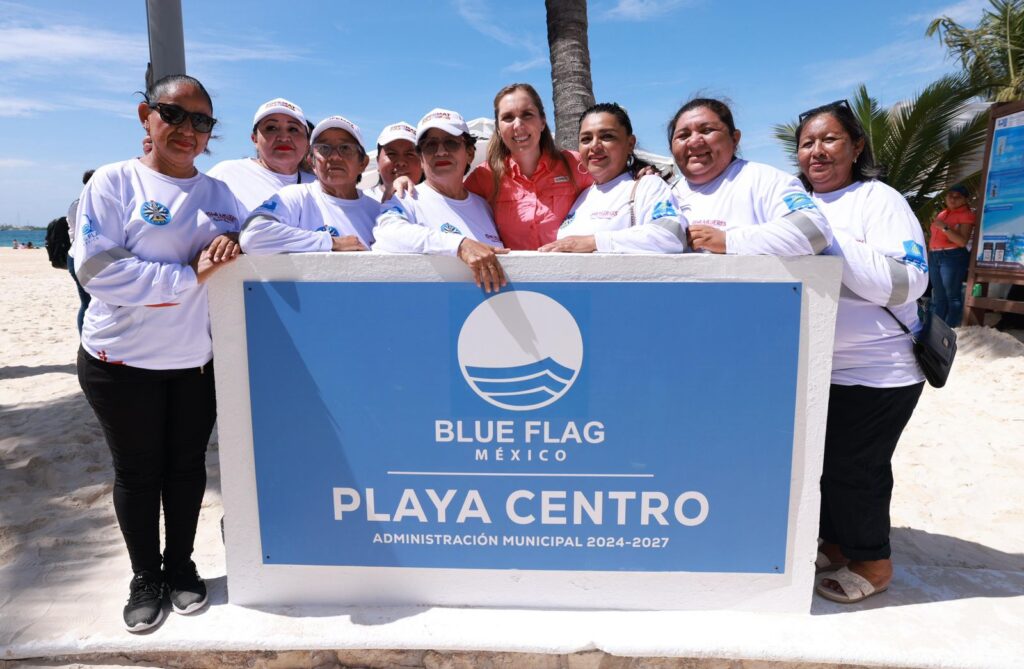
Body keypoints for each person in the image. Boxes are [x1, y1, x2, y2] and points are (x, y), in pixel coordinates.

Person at [73, 74, 244, 632]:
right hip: (119, 363)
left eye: (201, 122)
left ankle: (182, 567)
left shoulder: (219, 195)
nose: (187, 131)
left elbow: (259, 233)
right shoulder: (113, 182)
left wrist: (238, 244)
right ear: (146, 116)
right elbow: (99, 270)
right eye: (174, 115)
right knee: (139, 473)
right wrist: (189, 274)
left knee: (187, 469)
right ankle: (146, 576)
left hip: (194, 362)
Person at [795, 99, 928, 604]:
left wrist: (826, 239)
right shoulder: (798, 203)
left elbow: (907, 282)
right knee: (823, 463)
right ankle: (837, 541)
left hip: (879, 369)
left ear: (856, 146)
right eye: (807, 143)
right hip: (818, 368)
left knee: (857, 468)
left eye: (829, 139)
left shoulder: (879, 200)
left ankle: (872, 561)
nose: (817, 151)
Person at [668, 97, 832, 255]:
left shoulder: (765, 179)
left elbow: (815, 232)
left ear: (735, 138)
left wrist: (728, 240)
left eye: (707, 130)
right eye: (683, 135)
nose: (694, 142)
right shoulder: (666, 193)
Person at [374, 108, 509, 293]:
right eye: (430, 145)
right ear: (421, 158)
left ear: (469, 152)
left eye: (451, 143)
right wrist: (459, 245)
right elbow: (386, 234)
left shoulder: (484, 205)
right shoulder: (405, 197)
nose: (440, 152)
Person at [538, 103, 686, 254]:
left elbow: (672, 235)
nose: (594, 146)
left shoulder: (648, 185)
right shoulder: (583, 195)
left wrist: (594, 242)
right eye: (586, 139)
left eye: (607, 136)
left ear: (630, 144)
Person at [460, 83, 592, 250]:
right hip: (513, 275)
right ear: (499, 128)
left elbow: (617, 183)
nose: (518, 125)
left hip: (570, 273)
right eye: (508, 117)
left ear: (542, 122)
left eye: (527, 115)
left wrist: (636, 171)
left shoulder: (576, 164)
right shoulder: (484, 176)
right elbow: (449, 203)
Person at [241, 115, 377, 254]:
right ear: (311, 162)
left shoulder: (378, 211)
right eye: (324, 148)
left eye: (346, 148)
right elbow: (252, 235)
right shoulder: (295, 196)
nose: (335, 156)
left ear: (363, 163)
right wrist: (331, 242)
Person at [206, 98, 314, 212]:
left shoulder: (319, 187)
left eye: (293, 129)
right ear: (255, 139)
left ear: (307, 143)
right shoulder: (226, 175)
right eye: (271, 128)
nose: (283, 137)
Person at [928, 183, 975, 327]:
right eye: (950, 196)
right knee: (939, 296)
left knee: (952, 296)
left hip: (952, 256)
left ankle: (950, 329)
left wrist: (945, 227)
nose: (953, 199)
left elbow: (961, 241)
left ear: (965, 199)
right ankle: (935, 330)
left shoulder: (966, 215)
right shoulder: (943, 213)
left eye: (957, 197)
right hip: (935, 255)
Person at [67, 169, 96, 334]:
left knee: (86, 303)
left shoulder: (76, 203)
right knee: (91, 303)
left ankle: (84, 340)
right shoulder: (89, 204)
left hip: (74, 256)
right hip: (86, 258)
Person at [364, 122, 422, 202]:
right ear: (378, 162)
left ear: (422, 162)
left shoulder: (437, 200)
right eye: (391, 154)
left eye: (410, 154)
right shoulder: (362, 203)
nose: (401, 162)